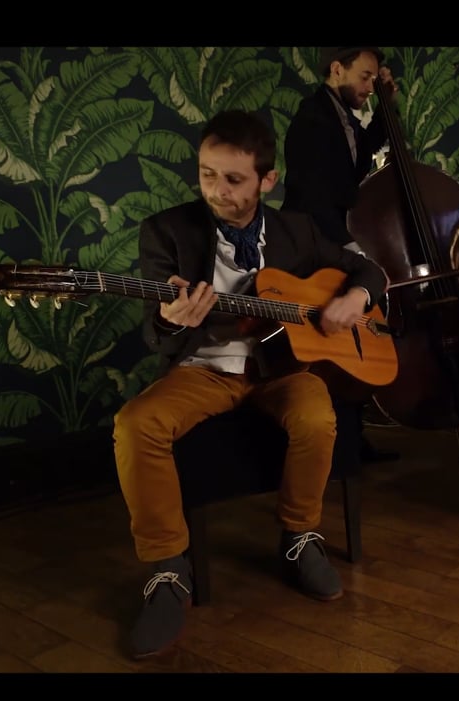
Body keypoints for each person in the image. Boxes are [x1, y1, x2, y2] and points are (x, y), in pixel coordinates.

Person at [114, 109, 388, 660]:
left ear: (267, 180)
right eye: (207, 174)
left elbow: (369, 271)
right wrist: (172, 318)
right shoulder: (167, 231)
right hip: (204, 370)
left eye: (234, 179)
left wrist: (356, 298)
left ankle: (299, 537)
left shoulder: (296, 230)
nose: (217, 190)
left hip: (281, 370)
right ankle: (168, 569)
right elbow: (155, 333)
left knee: (317, 416)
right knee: (135, 423)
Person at [282, 45, 400, 464]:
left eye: (373, 78)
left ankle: (351, 436)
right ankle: (340, 443)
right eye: (365, 76)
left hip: (333, 236)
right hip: (315, 242)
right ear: (336, 69)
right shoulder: (312, 120)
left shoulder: (342, 117)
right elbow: (314, 200)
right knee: (336, 341)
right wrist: (352, 249)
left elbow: (365, 153)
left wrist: (387, 103)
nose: (369, 85)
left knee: (353, 334)